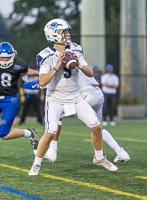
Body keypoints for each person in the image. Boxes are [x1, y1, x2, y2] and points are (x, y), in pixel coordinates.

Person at [28, 18, 118, 176]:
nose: (68, 34)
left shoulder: (75, 49)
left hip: (75, 97)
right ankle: (36, 164)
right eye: (65, 32)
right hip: (55, 99)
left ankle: (99, 158)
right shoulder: (46, 55)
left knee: (96, 127)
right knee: (50, 132)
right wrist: (57, 66)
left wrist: (79, 63)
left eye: (68, 31)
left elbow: (90, 73)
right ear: (55, 34)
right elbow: (42, 82)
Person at [27, 69, 130, 163]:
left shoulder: (67, 60)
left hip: (86, 93)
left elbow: (62, 79)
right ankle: (121, 152)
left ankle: (52, 151)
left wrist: (39, 84)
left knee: (57, 113)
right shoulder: (77, 59)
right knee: (97, 128)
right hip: (98, 94)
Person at [0, 42, 39, 151]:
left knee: (3, 134)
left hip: (9, 101)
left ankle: (29, 133)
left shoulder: (18, 65)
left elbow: (28, 71)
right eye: (2, 57)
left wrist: (41, 73)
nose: (5, 60)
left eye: (7, 58)